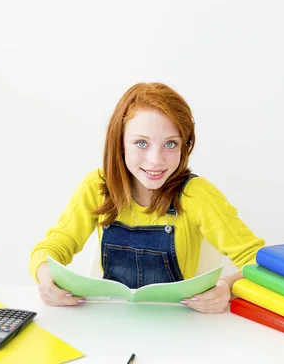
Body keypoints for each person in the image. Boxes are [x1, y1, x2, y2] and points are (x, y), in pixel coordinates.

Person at [30, 82, 265, 314]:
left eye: (170, 144)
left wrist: (229, 288)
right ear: (120, 143)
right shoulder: (98, 186)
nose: (155, 160)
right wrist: (46, 277)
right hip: (110, 322)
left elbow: (260, 263)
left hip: (179, 327)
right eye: (141, 143)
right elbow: (49, 249)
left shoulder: (197, 194)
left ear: (185, 146)